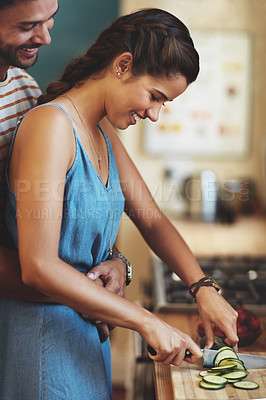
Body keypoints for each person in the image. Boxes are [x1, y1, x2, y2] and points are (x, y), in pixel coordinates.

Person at [1, 7, 238, 399]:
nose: (156, 114)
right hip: (42, 341)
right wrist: (147, 321)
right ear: (123, 65)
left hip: (86, 339)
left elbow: (152, 218)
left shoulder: (100, 131)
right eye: (155, 96)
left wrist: (202, 287)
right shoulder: (50, 127)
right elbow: (38, 267)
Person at [0, 0, 127, 328]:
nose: (45, 38)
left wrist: (115, 263)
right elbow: (36, 266)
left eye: (50, 20)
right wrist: (94, 292)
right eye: (28, 26)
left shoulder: (24, 90)